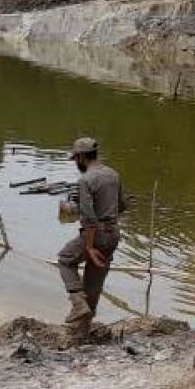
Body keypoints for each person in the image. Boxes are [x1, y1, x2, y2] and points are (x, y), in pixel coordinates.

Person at [57, 137, 127, 337]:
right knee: (94, 281)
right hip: (113, 234)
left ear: (80, 157)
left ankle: (78, 303)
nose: (76, 163)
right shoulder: (113, 174)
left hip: (96, 235)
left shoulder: (86, 180)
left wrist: (89, 246)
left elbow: (89, 219)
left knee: (65, 260)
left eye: (76, 159)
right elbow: (122, 206)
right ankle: (83, 331)